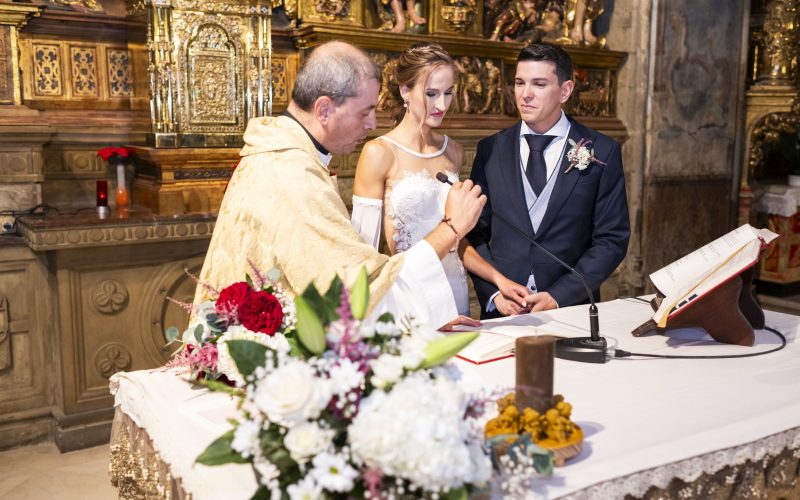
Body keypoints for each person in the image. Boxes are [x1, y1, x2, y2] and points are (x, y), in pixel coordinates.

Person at [193, 40, 487, 329]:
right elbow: (355, 295)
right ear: (323, 109)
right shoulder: (291, 175)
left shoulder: (290, 156)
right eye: (364, 112)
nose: (372, 124)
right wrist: (451, 228)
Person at [351, 42, 530, 318]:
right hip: (409, 294)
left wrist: (499, 280)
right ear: (405, 91)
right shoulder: (379, 152)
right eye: (431, 93)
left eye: (448, 93)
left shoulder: (453, 151)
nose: (442, 105)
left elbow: (456, 239)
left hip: (454, 290)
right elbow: (362, 249)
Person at [467, 43, 629, 318]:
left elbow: (611, 240)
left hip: (571, 312)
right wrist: (493, 293)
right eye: (520, 83)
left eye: (539, 84)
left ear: (565, 91)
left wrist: (559, 296)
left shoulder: (602, 151)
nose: (525, 94)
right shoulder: (490, 149)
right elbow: (474, 234)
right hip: (504, 313)